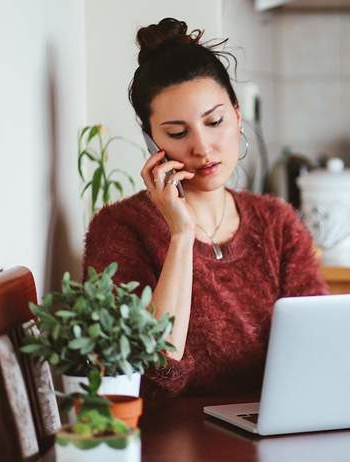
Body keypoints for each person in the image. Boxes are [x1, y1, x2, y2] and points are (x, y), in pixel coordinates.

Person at [82, 17, 328, 398]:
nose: (202, 147)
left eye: (214, 121)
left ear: (237, 115)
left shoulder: (276, 222)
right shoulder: (118, 230)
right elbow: (153, 373)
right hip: (170, 442)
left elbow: (319, 350)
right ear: (152, 143)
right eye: (178, 133)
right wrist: (180, 236)